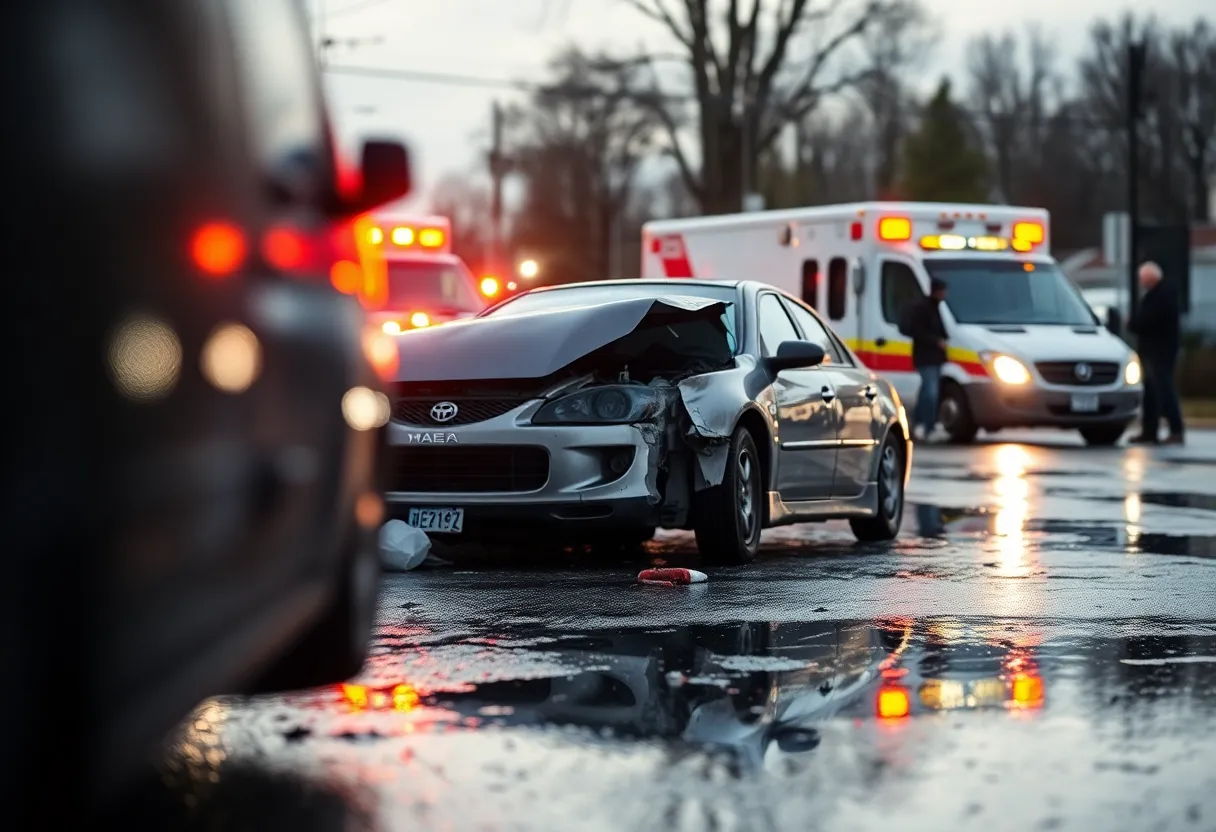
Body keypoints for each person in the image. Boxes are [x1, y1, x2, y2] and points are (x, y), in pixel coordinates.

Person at [1128, 261, 1184, 444]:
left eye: (1142, 279)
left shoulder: (1162, 296)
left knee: (1164, 389)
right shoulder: (1160, 294)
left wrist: (1133, 323)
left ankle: (1176, 429)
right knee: (1151, 392)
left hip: (1160, 352)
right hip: (1154, 350)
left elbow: (1147, 320)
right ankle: (1149, 431)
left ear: (1149, 278)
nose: (1141, 282)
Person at [907, 278, 950, 441]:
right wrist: (936, 341)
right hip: (926, 356)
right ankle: (929, 427)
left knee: (927, 391)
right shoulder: (924, 308)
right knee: (931, 393)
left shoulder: (936, 307)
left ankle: (916, 423)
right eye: (943, 291)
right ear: (936, 291)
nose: (945, 294)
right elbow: (918, 332)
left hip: (933, 357)